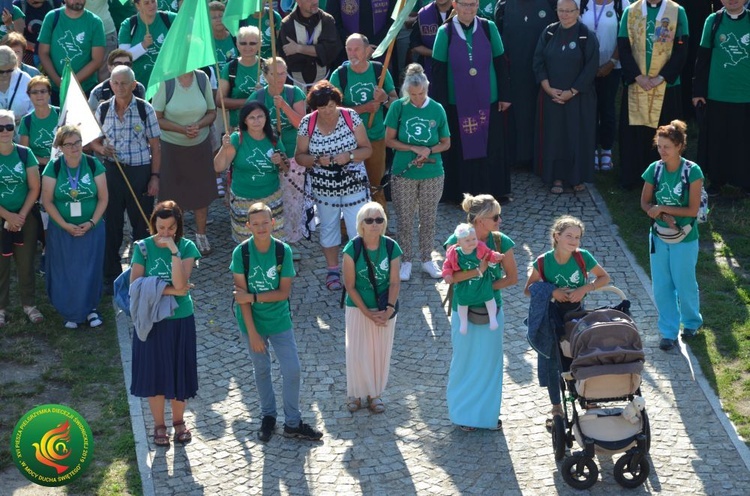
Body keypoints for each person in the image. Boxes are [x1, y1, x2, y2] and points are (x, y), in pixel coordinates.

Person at [230, 202, 324, 442]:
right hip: (252, 322)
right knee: (261, 369)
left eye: (265, 222)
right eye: (256, 223)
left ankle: (293, 423)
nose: (261, 227)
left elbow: (283, 293)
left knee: (292, 369)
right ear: (248, 226)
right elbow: (240, 299)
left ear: (273, 223)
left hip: (279, 319)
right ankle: (268, 417)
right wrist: (252, 333)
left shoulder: (283, 251)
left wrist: (252, 296)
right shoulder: (241, 253)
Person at [523, 214, 611, 425]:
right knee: (553, 360)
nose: (574, 241)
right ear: (557, 236)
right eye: (569, 236)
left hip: (577, 314)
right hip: (552, 316)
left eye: (577, 237)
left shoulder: (582, 257)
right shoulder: (543, 262)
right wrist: (552, 291)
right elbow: (528, 290)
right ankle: (556, 407)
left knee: (581, 355)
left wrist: (585, 288)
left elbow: (604, 277)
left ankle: (587, 399)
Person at [443, 193, 518, 430]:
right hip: (462, 309)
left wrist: (484, 289)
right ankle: (463, 416)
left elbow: (513, 278)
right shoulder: (456, 240)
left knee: (490, 363)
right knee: (464, 361)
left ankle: (485, 417)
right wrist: (478, 273)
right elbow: (451, 277)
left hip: (491, 311)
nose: (499, 221)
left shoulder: (500, 242)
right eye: (495, 217)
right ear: (481, 220)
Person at [129, 200, 201, 448]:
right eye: (161, 227)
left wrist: (173, 251)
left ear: (178, 227)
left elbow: (182, 285)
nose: (165, 233)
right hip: (150, 320)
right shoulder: (142, 247)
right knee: (154, 376)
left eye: (171, 228)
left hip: (180, 319)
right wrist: (170, 290)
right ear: (153, 224)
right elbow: (135, 286)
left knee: (180, 372)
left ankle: (179, 422)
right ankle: (159, 425)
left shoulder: (187, 247)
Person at [431, 0, 512, 204]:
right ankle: (458, 193)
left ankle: (493, 191)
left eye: (473, 4)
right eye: (465, 4)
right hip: (456, 102)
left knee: (490, 145)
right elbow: (438, 71)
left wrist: (505, 95)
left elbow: (501, 62)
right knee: (460, 147)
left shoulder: (488, 27)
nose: (469, 9)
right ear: (455, 5)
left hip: (489, 99)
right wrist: (439, 106)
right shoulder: (445, 32)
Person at [295, 80, 372, 291]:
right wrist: (318, 160)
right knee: (329, 227)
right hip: (323, 185)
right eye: (322, 107)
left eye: (331, 106)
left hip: (353, 182)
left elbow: (367, 149)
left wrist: (350, 155)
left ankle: (358, 268)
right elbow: (300, 157)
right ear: (314, 108)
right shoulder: (307, 123)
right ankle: (332, 270)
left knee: (358, 226)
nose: (328, 111)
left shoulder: (350, 117)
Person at [91, 64, 160, 292]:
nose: (119, 87)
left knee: (141, 226)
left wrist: (155, 177)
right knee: (112, 225)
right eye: (115, 83)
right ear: (110, 84)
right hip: (112, 172)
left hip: (140, 171)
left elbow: (155, 146)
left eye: (124, 83)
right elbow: (93, 141)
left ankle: (139, 275)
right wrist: (102, 150)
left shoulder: (145, 109)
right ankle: (110, 275)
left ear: (133, 85)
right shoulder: (102, 109)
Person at [639, 120, 703, 351]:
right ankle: (668, 331)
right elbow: (645, 202)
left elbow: (692, 211)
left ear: (679, 146)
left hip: (685, 237)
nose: (662, 151)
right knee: (662, 285)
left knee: (684, 282)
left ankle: (692, 323)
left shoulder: (692, 171)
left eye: (666, 146)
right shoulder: (654, 169)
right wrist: (659, 214)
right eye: (659, 146)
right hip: (658, 236)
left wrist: (663, 210)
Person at [384, 63, 450, 281]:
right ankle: (406, 261)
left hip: (432, 171)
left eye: (421, 93)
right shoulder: (398, 107)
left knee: (428, 217)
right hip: (404, 172)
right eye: (412, 94)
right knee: (404, 218)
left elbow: (446, 142)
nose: (417, 98)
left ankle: (427, 259)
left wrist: (429, 149)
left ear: (427, 88)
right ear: (406, 91)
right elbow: (389, 140)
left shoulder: (437, 109)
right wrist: (414, 148)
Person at [41, 124, 108, 329]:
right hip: (63, 230)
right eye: (68, 144)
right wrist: (65, 225)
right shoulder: (54, 167)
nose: (74, 147)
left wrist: (91, 223)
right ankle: (70, 310)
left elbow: (103, 198)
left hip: (92, 228)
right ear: (60, 147)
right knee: (67, 269)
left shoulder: (93, 164)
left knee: (91, 268)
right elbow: (47, 201)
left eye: (77, 142)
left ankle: (90, 309)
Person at [617, 0, 689, 189]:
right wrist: (637, 76)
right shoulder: (630, 11)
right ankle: (633, 177)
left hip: (666, 85)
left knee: (666, 134)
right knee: (636, 134)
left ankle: (667, 180)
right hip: (637, 83)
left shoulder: (677, 11)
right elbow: (623, 47)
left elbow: (682, 49)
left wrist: (662, 77)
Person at [533, 0, 599, 193]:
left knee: (577, 136)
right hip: (550, 97)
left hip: (578, 98)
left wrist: (572, 92)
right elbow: (538, 62)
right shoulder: (549, 32)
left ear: (578, 11)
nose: (564, 14)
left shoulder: (586, 35)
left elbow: (591, 67)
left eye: (569, 11)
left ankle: (577, 177)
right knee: (554, 137)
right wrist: (547, 88)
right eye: (561, 10)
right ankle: (556, 178)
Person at [342, 202, 401, 414]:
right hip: (358, 308)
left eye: (379, 220)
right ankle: (355, 394)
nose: (374, 224)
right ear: (361, 225)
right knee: (357, 352)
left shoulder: (392, 248)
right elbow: (349, 286)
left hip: (384, 307)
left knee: (379, 352)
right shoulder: (352, 249)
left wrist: (388, 309)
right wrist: (367, 313)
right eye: (369, 220)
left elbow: (394, 282)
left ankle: (374, 393)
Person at [152, 69, 217, 256]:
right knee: (170, 194)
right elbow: (157, 116)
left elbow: (212, 112)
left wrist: (199, 125)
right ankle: (171, 236)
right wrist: (181, 129)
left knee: (201, 193)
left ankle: (201, 235)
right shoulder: (166, 79)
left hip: (200, 144)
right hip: (171, 146)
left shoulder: (202, 78)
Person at [330, 33, 398, 210]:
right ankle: (348, 229)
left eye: (357, 49)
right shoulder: (340, 75)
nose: (352, 54)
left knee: (376, 184)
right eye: (349, 50)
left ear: (368, 50)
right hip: (348, 141)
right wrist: (364, 108)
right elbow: (331, 111)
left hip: (375, 138)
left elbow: (395, 104)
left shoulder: (379, 71)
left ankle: (379, 224)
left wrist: (383, 99)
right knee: (347, 187)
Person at [248, 57, 309, 244]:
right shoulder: (257, 98)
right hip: (266, 156)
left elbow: (302, 124)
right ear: (265, 76)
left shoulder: (294, 93)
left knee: (293, 202)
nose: (279, 78)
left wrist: (284, 106)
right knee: (269, 201)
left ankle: (292, 240)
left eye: (283, 73)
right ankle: (269, 240)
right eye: (274, 74)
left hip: (292, 154)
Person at [692, 0, 750, 193]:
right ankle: (716, 181)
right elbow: (702, 58)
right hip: (717, 93)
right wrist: (698, 92)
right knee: (717, 140)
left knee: (743, 140)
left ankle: (745, 182)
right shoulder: (713, 20)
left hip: (745, 94)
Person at [494, 0, 558, 170]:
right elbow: (497, 39)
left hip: (543, 74)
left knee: (538, 115)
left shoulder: (551, 4)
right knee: (517, 116)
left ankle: (538, 160)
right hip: (513, 73)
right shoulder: (504, 6)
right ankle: (516, 158)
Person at [214, 102, 286, 242]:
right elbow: (218, 167)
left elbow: (286, 168)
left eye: (260, 116)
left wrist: (280, 161)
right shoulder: (237, 138)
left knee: (274, 238)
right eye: (252, 117)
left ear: (266, 118)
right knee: (245, 241)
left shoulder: (273, 138)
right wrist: (224, 147)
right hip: (243, 199)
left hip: (271, 197)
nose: (257, 121)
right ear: (245, 120)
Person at [0, 109, 42, 327]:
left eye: (9, 127)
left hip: (25, 217)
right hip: (2, 216)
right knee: (1, 265)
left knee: (26, 263)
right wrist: (7, 215)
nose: (4, 131)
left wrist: (21, 216)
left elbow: (35, 188)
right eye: (0, 127)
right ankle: (1, 308)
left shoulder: (25, 153)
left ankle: (29, 304)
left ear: (14, 129)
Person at [579, 0, 629, 171]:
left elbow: (626, 36)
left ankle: (606, 150)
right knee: (588, 109)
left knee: (607, 108)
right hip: (584, 68)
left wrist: (612, 62)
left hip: (612, 66)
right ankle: (590, 149)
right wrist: (587, 65)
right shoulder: (580, 2)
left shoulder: (622, 4)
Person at [37, 0, 106, 103]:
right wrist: (58, 81)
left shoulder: (95, 22)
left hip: (85, 88)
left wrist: (70, 83)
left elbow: (97, 60)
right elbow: (43, 52)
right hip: (55, 89)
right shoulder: (52, 17)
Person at [443, 223, 503, 333]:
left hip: (482, 282)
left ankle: (493, 318)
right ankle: (463, 323)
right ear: (459, 242)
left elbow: (489, 254)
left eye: (473, 239)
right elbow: (447, 265)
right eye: (467, 240)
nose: (472, 242)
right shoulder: (454, 253)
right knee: (463, 302)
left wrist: (496, 256)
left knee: (489, 297)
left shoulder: (480, 247)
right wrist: (447, 274)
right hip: (465, 284)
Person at [278, 0, 343, 93]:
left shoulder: (327, 20)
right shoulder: (287, 24)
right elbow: (291, 57)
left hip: (324, 80)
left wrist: (298, 48)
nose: (315, 2)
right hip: (296, 83)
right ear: (299, 2)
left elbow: (330, 51)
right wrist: (318, 51)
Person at [117, 0, 177, 90]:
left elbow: (189, 23)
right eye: (146, 3)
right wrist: (143, 45)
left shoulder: (169, 18)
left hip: (168, 84)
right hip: (139, 86)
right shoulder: (128, 25)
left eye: (153, 1)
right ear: (138, 6)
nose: (151, 5)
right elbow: (123, 58)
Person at [218, 26, 262, 130]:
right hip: (238, 126)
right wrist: (251, 101)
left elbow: (277, 96)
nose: (247, 47)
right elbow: (220, 101)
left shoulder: (267, 66)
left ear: (259, 44)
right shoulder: (229, 68)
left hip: (263, 126)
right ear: (237, 44)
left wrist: (265, 94)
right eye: (243, 43)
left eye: (252, 43)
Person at [410, 0, 453, 87]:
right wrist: (437, 54)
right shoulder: (423, 13)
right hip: (431, 70)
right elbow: (415, 45)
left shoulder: (464, 12)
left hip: (458, 69)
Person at [18, 75, 57, 167]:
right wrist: (45, 161)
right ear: (29, 95)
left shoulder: (62, 114)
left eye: (43, 91)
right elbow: (25, 153)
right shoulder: (26, 121)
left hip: (64, 164)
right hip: (39, 167)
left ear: (50, 93)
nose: (39, 95)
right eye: (34, 92)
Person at [0, 45, 32, 122]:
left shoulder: (25, 79)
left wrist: (24, 119)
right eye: (1, 71)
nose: (5, 75)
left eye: (9, 71)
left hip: (20, 131)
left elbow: (36, 106)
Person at [210, 1, 236, 70]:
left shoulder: (235, 38)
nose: (218, 20)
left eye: (221, 16)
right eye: (214, 17)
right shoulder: (205, 42)